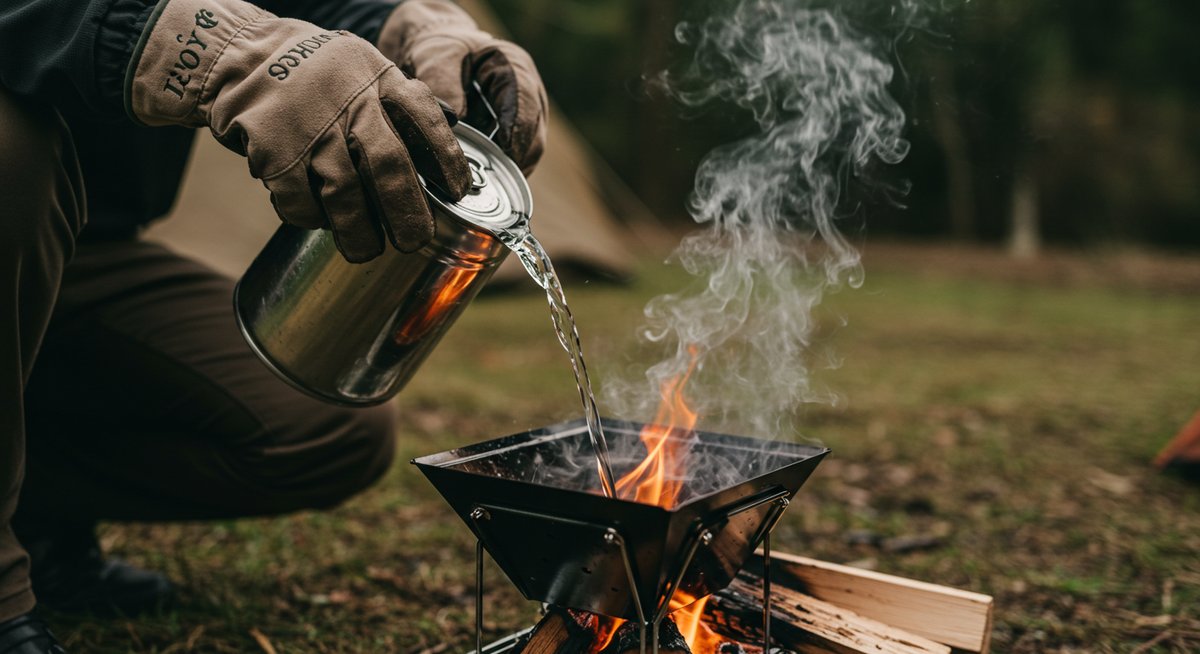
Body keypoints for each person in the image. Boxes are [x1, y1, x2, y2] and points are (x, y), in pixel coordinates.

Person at [0, 0, 547, 650]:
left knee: (322, 427)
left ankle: (29, 510)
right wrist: (214, 45)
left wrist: (411, 30)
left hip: (79, 247)